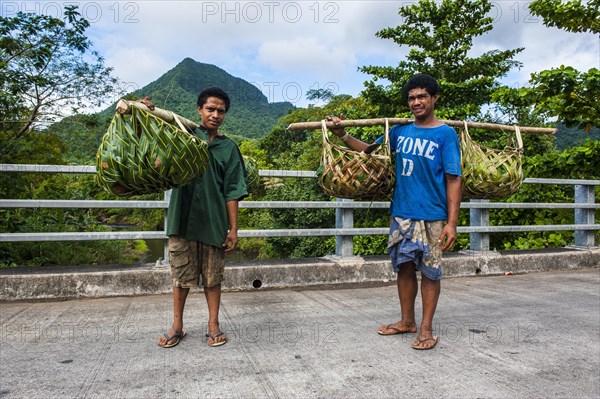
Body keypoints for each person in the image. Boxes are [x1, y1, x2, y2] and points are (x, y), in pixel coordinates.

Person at [326, 74, 462, 350]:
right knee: (404, 268)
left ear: (434, 98)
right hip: (402, 213)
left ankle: (425, 329)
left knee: (431, 272)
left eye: (422, 96)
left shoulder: (445, 134)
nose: (416, 102)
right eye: (412, 98)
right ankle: (406, 321)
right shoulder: (398, 131)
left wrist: (452, 223)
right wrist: (341, 134)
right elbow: (370, 152)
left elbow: (453, 178)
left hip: (433, 215)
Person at [155, 87, 248, 348]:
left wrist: (233, 229)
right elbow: (151, 138)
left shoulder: (228, 148)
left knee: (213, 277)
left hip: (213, 222)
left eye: (221, 111)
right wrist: (146, 111)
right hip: (181, 220)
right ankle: (177, 326)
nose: (216, 114)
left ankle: (213, 325)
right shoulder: (182, 136)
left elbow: (232, 191)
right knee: (180, 277)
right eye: (211, 109)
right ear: (199, 109)